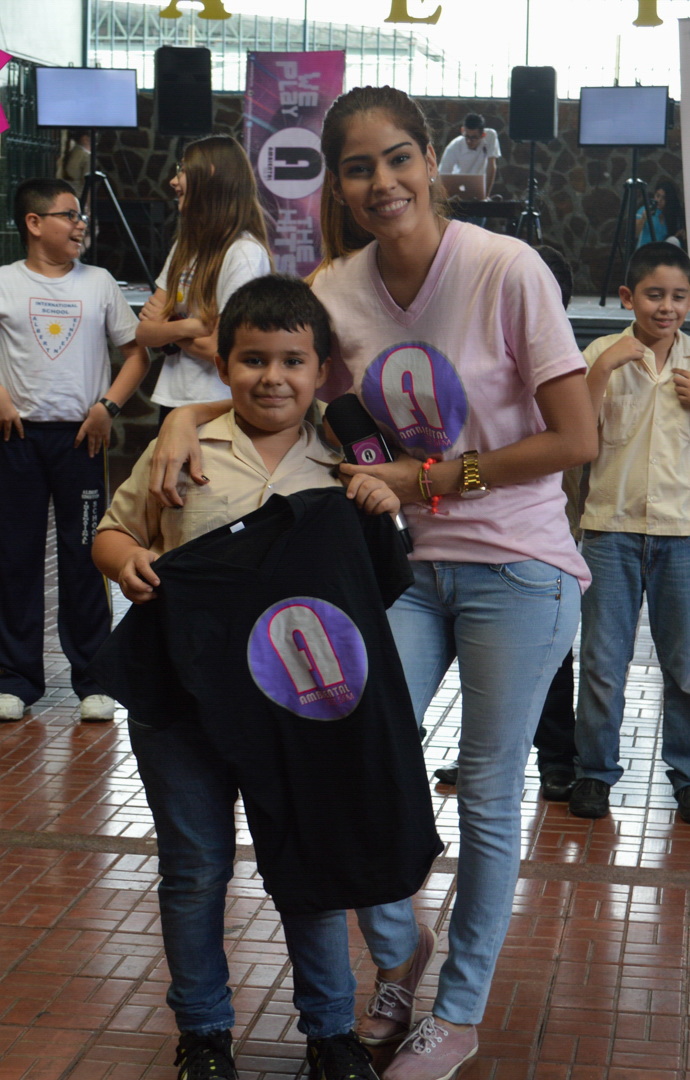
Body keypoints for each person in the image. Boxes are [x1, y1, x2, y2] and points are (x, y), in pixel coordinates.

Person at [148, 86, 598, 1080]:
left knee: (486, 788)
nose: (382, 182)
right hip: (403, 571)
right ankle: (400, 949)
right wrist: (186, 416)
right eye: (359, 168)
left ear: (431, 161)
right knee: (337, 743)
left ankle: (458, 1012)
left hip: (519, 566)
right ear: (339, 185)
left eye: (398, 159)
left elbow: (576, 439)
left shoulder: (505, 269)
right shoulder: (336, 288)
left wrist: (427, 481)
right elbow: (285, 386)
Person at [93, 274, 414, 1080]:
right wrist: (128, 561)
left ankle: (331, 1032)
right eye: (253, 360)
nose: (273, 377)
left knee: (310, 859)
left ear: (321, 370)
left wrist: (385, 502)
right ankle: (203, 1032)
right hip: (184, 699)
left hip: (301, 707)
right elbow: (111, 531)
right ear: (224, 365)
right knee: (195, 867)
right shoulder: (185, 444)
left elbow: (405, 543)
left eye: (292, 362)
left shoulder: (346, 457)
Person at [0, 178, 148, 724]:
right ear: (34, 224)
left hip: (82, 441)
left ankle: (93, 679)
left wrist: (108, 406)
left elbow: (136, 355)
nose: (80, 224)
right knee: (16, 557)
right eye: (69, 214)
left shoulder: (99, 283)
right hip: (18, 441)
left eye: (81, 216)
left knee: (86, 557)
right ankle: (15, 680)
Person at [568, 242, 690, 825]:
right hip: (609, 531)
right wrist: (601, 372)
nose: (666, 307)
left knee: (686, 667)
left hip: (682, 533)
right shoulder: (601, 354)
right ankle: (594, 773)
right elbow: (579, 438)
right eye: (653, 295)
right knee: (601, 663)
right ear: (628, 297)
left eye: (678, 296)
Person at [433, 242, 581, 802]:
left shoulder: (557, 358)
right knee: (481, 672)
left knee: (546, 658)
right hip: (446, 545)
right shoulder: (468, 348)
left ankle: (557, 757)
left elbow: (575, 439)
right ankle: (481, 747)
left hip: (529, 547)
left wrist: (446, 478)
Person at [136, 136, 273, 425]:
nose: (173, 181)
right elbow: (144, 333)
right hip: (173, 398)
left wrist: (169, 328)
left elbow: (219, 349)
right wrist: (193, 326)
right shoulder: (185, 246)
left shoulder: (243, 253)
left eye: (183, 170)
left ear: (210, 174)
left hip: (217, 404)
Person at [438, 112, 501, 197]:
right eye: (467, 136)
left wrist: (486, 197)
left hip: (480, 189)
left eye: (474, 137)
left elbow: (491, 166)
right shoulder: (453, 147)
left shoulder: (490, 136)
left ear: (483, 135)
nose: (469, 141)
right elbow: (442, 176)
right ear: (462, 131)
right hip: (458, 191)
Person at [634, 179, 685, 250]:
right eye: (658, 196)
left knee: (674, 241)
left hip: (660, 253)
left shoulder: (670, 215)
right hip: (644, 252)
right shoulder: (645, 209)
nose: (659, 200)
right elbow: (634, 234)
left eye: (664, 198)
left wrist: (678, 234)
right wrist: (643, 218)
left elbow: (669, 241)